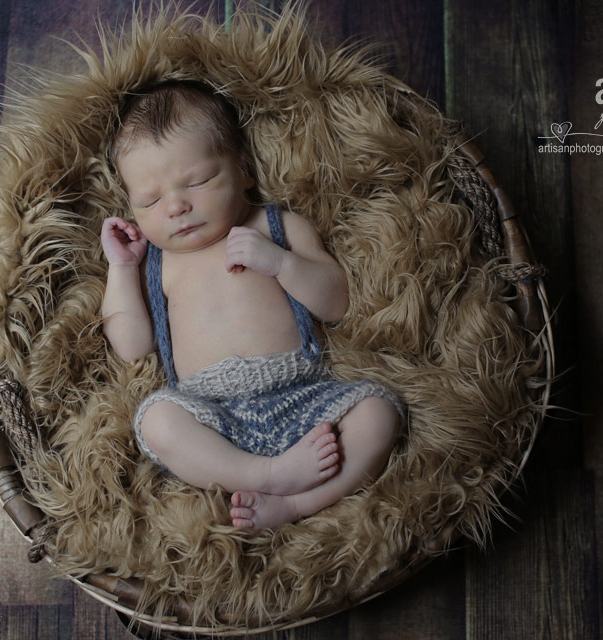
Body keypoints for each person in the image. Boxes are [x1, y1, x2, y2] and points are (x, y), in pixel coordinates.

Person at [101, 80, 403, 530]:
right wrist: (121, 269)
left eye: (198, 181)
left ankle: (299, 505)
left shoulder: (276, 226)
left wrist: (281, 263)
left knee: (380, 415)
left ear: (243, 170)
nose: (177, 206)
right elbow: (131, 347)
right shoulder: (158, 263)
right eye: (150, 199)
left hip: (305, 397)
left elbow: (336, 304)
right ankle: (264, 476)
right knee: (157, 422)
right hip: (212, 414)